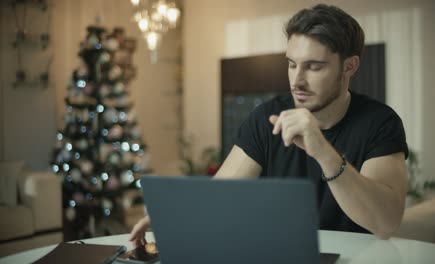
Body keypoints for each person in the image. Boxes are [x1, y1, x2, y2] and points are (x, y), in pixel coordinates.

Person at [130, 4, 408, 246]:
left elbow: (385, 222)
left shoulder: (380, 123)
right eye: (291, 64)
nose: (297, 81)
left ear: (350, 66)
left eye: (313, 67)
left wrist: (323, 151)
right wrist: (171, 215)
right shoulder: (268, 117)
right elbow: (220, 195)